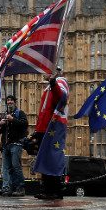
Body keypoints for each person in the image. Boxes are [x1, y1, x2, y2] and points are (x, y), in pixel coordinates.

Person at [32, 69, 69, 200]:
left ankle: (56, 191)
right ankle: (47, 190)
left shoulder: (60, 83)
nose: (44, 74)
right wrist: (37, 130)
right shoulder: (48, 88)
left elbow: (61, 97)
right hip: (44, 127)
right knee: (45, 159)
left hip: (52, 127)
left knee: (52, 159)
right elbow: (43, 111)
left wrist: (53, 81)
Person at [0, 95, 28, 196]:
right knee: (5, 168)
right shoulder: (4, 115)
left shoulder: (20, 113)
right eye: (8, 101)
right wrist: (0, 124)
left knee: (15, 166)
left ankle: (20, 188)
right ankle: (6, 188)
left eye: (11, 101)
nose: (9, 102)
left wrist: (13, 119)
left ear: (15, 102)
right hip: (5, 145)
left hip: (16, 144)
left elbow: (24, 124)